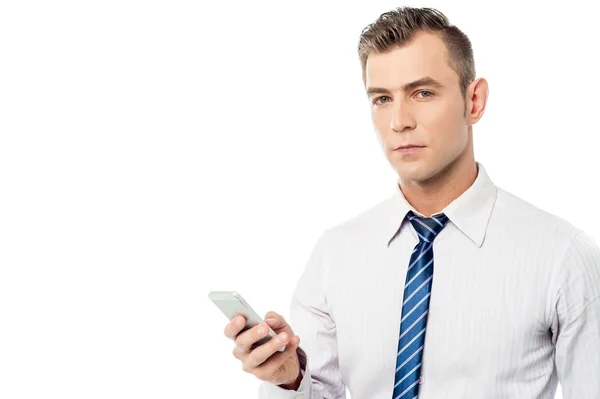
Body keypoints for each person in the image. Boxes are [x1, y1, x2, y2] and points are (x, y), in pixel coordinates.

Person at [222, 6, 600, 399]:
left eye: (422, 93)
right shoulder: (335, 255)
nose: (399, 121)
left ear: (474, 101)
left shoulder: (562, 256)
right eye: (382, 98)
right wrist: (288, 379)